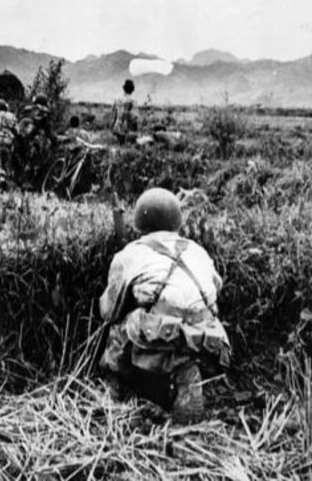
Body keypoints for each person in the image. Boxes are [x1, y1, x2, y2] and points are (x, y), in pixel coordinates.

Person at [98, 188, 231, 422]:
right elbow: (215, 291)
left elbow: (109, 311)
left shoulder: (130, 254)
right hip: (207, 339)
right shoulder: (198, 251)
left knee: (121, 325)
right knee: (182, 324)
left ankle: (114, 392)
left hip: (159, 335)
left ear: (140, 221)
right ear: (176, 221)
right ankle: (185, 376)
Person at [16, 93, 54, 186]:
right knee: (34, 160)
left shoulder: (27, 109)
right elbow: (48, 130)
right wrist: (54, 140)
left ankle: (17, 179)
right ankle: (28, 183)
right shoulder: (45, 111)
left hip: (20, 137)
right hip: (34, 139)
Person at [111, 79, 138, 145]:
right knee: (126, 145)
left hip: (117, 126)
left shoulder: (117, 99)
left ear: (124, 88)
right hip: (127, 128)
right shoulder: (133, 101)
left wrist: (112, 126)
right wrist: (135, 131)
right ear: (132, 89)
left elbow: (113, 114)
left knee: (120, 145)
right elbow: (134, 117)